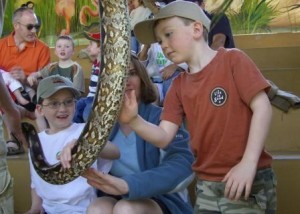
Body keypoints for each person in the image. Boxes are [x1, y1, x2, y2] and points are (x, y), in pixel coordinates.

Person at [122, 1, 276, 213]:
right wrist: (134, 120)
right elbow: (164, 136)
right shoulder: (178, 86)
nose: (163, 44)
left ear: (196, 28)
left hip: (245, 177)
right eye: (159, 40)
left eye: (168, 34)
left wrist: (248, 163)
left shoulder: (232, 60)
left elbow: (263, 107)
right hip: (206, 183)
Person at [71, 53, 194, 214]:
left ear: (142, 79)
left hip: (160, 198)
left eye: (132, 73)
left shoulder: (162, 118)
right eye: (117, 74)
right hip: (115, 195)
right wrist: (73, 149)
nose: (125, 81)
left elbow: (183, 164)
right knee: (97, 208)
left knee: (126, 209)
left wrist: (129, 184)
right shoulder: (100, 123)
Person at [25, 75, 120, 214]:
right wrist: (35, 207)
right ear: (40, 110)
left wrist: (84, 144)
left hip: (82, 209)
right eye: (54, 103)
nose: (62, 108)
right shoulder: (36, 142)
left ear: (75, 105)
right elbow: (36, 181)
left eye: (68, 102)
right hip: (47, 210)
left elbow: (116, 152)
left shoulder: (84, 131)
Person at [0, 6, 50, 155]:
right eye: (30, 27)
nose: (34, 31)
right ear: (16, 26)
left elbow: (45, 86)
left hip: (30, 96)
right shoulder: (1, 45)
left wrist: (25, 80)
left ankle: (15, 139)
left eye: (36, 26)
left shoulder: (43, 49)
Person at [73, 29, 101, 123]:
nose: (88, 47)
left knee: (87, 115)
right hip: (89, 98)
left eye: (91, 44)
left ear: (100, 48)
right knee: (76, 108)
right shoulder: (95, 63)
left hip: (96, 99)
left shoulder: (103, 64)